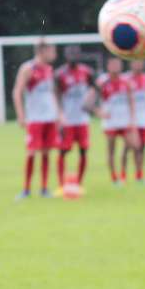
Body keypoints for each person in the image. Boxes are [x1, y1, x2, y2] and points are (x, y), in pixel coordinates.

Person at [12, 41, 61, 198]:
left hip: (49, 118)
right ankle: (26, 189)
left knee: (46, 153)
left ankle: (44, 188)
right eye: (52, 51)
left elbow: (51, 93)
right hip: (35, 118)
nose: (54, 54)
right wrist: (21, 115)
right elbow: (17, 91)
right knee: (32, 152)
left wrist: (59, 113)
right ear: (42, 51)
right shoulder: (28, 68)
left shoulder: (48, 69)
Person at [54, 46, 95, 194]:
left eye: (75, 54)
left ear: (79, 55)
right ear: (66, 56)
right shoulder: (60, 74)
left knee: (83, 150)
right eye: (70, 55)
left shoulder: (87, 72)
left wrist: (90, 101)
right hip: (68, 119)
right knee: (63, 151)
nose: (73, 57)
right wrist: (60, 115)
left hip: (82, 119)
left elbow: (93, 89)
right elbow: (56, 96)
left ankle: (79, 183)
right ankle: (60, 185)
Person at [91, 57, 137, 186]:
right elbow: (88, 101)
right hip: (110, 121)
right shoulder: (102, 82)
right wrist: (99, 112)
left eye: (119, 64)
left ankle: (123, 174)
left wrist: (132, 120)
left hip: (124, 120)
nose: (116, 67)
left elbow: (131, 101)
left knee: (133, 146)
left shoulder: (126, 81)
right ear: (108, 66)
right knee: (111, 150)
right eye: (114, 64)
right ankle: (114, 178)